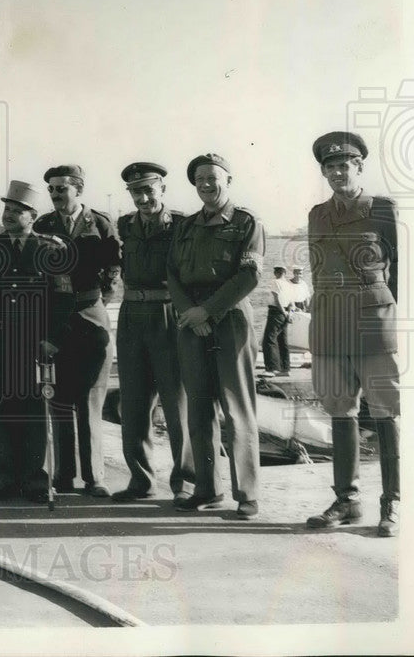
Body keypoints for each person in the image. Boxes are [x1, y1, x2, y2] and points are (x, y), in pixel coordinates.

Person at [305, 132, 399, 537]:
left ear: (359, 167)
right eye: (330, 167)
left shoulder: (383, 209)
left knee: (386, 410)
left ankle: (393, 502)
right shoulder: (317, 214)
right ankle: (347, 500)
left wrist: (399, 320)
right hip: (329, 325)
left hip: (373, 325)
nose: (337, 173)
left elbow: (407, 270)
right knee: (339, 409)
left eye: (344, 165)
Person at [167, 153, 264, 520]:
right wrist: (190, 313)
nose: (206, 184)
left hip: (229, 319)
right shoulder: (185, 226)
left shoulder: (246, 222)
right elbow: (171, 273)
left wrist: (207, 311)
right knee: (198, 408)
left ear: (228, 180)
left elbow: (249, 275)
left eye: (213, 177)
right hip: (191, 322)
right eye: (200, 179)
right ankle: (206, 488)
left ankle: (247, 495)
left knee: (237, 408)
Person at [0, 180, 60, 503]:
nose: (9, 215)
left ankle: (34, 481)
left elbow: (62, 300)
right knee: (0, 411)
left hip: (34, 346)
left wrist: (52, 339)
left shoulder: (50, 249)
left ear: (33, 216)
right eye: (7, 209)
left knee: (33, 412)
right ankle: (3, 479)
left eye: (17, 211)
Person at [111, 162, 197, 504]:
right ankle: (141, 480)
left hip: (168, 315)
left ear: (162, 189)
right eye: (136, 192)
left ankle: (185, 482)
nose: (143, 198)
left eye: (148, 190)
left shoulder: (181, 225)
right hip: (132, 316)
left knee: (177, 404)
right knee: (133, 403)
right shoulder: (125, 225)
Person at [33, 164, 120, 496]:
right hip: (57, 318)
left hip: (90, 313)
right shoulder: (43, 226)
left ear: (78, 189)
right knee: (59, 396)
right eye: (51, 189)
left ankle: (95, 477)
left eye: (62, 189)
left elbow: (113, 267)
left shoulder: (99, 223)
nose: (55, 194)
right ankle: (63, 475)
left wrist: (97, 301)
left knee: (92, 397)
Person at [262, 265, 293, 376]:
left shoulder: (276, 282)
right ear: (285, 273)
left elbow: (277, 299)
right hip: (286, 313)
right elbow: (292, 303)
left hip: (276, 312)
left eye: (276, 271)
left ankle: (271, 369)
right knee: (282, 340)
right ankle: (285, 369)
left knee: (269, 339)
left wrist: (283, 312)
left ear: (276, 273)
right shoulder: (289, 285)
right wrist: (289, 314)